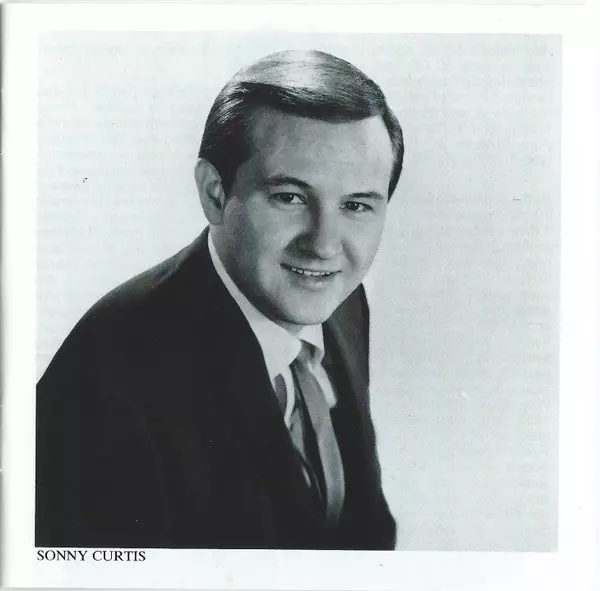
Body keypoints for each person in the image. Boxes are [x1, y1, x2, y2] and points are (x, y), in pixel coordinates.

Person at [35, 49, 404, 550]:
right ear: (214, 193)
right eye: (290, 197)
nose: (323, 245)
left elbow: (363, 527)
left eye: (356, 205)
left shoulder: (343, 304)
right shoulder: (107, 378)